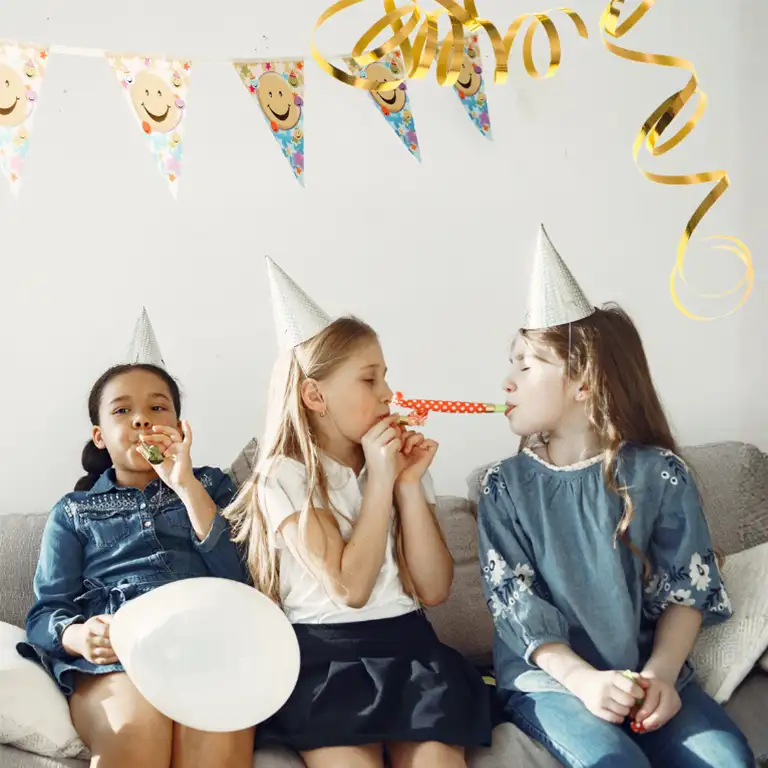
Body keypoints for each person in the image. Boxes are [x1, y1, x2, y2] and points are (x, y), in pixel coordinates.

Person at [477, 225, 756, 767]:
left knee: (728, 761)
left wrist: (661, 677)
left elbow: (685, 588)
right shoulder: (504, 488)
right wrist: (584, 682)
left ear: (583, 382)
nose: (507, 381)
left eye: (525, 364)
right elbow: (515, 605)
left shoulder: (661, 475)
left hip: (643, 677)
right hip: (552, 683)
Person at [224, 257, 492, 768]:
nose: (388, 393)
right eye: (369, 379)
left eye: (385, 376)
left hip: (412, 650)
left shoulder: (394, 466)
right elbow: (350, 589)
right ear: (314, 395)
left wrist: (407, 485)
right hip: (329, 662)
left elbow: (433, 589)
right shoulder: (283, 476)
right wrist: (380, 481)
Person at [17, 310, 253, 768]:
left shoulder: (215, 486)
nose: (142, 421)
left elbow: (244, 580)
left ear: (180, 427)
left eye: (158, 407)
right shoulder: (74, 511)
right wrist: (76, 634)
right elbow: (46, 611)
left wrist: (187, 487)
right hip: (118, 657)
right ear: (100, 435)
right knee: (136, 727)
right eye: (123, 410)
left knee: (215, 726)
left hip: (210, 647)